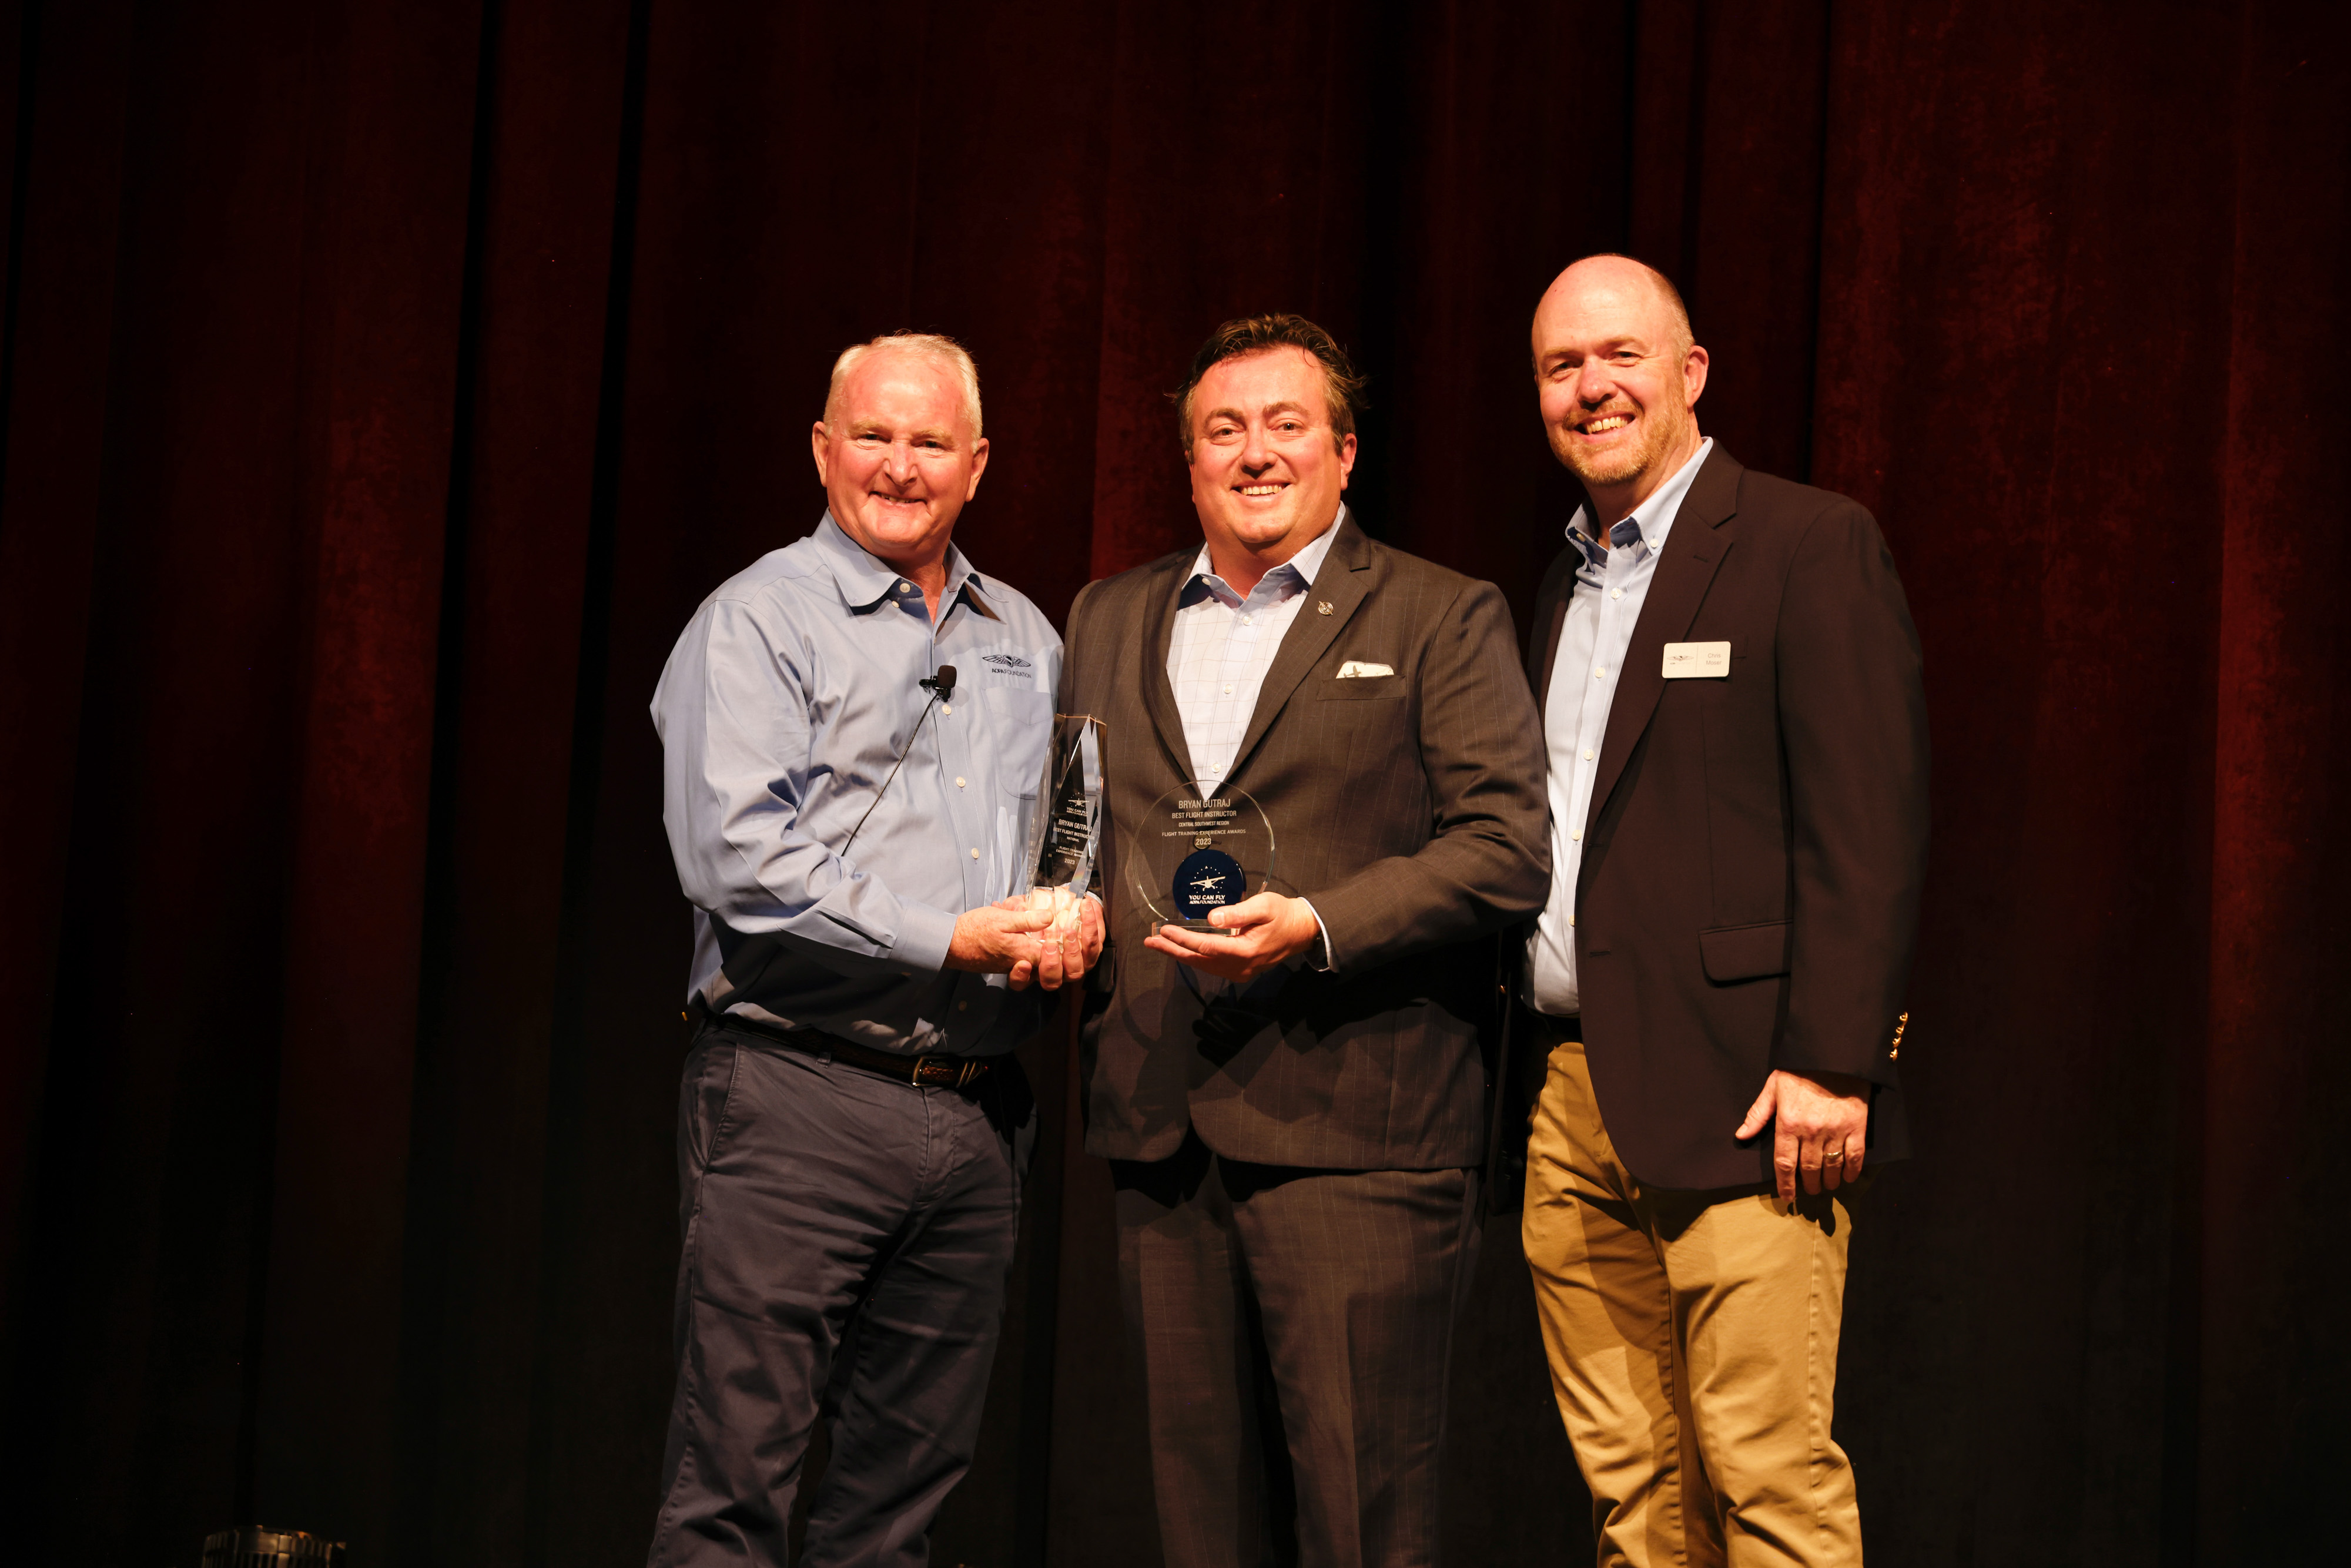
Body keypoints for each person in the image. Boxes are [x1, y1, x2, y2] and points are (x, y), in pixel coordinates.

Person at [1060, 313, 1550, 1568]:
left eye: (1287, 424)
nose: (1255, 452)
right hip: (1159, 1126)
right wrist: (1059, 906)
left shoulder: (1441, 613)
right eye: (1223, 430)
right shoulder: (1107, 615)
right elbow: (1074, 823)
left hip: (1358, 1137)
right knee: (1200, 1530)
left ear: (1344, 452)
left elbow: (1506, 847)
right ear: (1188, 462)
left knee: (1360, 1523)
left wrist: (1319, 923)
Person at [645, 330, 1101, 1568]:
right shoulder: (755, 620)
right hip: (796, 1093)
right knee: (732, 1485)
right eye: (874, 436)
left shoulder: (1027, 635)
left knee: (898, 1514)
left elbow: (1061, 836)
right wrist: (950, 936)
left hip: (978, 1117)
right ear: (822, 449)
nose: (900, 466)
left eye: (930, 442)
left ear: (978, 464)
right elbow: (737, 857)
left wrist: (1074, 909)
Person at [1514, 254, 1929, 1566]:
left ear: (1690, 372)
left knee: (1766, 1478)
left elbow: (1868, 823)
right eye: (1562, 366)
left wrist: (1834, 1060)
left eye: (1620, 355)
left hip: (1752, 1095)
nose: (1591, 387)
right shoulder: (1558, 586)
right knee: (1635, 1499)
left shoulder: (1806, 542)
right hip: (1570, 1098)